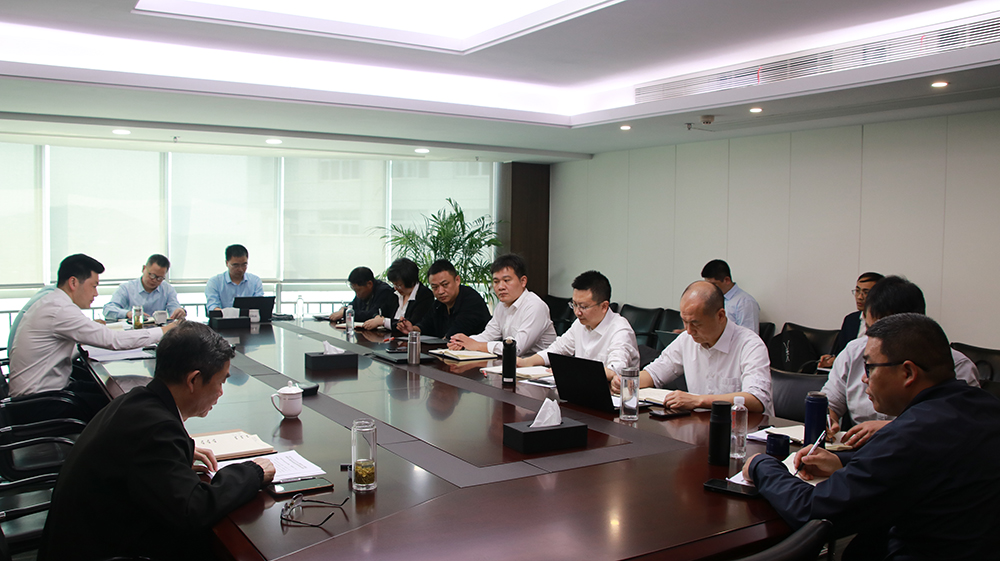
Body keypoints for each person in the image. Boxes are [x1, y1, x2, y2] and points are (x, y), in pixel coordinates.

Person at [743, 313, 1000, 561]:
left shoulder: (912, 434)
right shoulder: (984, 407)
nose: (864, 379)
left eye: (869, 367)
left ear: (908, 373)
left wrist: (761, 465)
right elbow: (923, 465)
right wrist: (842, 462)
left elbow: (811, 511)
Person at [39, 321, 276, 561]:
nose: (221, 392)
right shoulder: (157, 430)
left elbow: (142, 462)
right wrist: (252, 472)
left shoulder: (136, 402)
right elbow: (193, 509)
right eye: (221, 381)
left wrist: (177, 453)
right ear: (193, 380)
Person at [823, 275, 979, 447]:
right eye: (869, 328)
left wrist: (892, 428)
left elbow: (962, 428)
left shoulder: (955, 365)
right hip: (858, 451)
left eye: (882, 333)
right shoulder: (854, 351)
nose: (872, 341)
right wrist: (827, 419)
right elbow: (829, 403)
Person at [9, 254, 174, 401]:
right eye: (94, 286)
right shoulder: (60, 309)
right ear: (73, 282)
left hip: (44, 391)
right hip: (38, 401)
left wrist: (90, 330)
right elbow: (114, 340)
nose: (96, 294)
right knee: (121, 402)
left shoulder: (53, 302)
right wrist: (163, 331)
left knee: (112, 392)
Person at [617, 281, 772, 415]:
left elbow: (756, 399)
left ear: (720, 316)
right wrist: (627, 383)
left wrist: (698, 400)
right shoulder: (687, 339)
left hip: (745, 430)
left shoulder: (750, 345)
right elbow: (655, 373)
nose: (689, 331)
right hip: (701, 425)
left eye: (696, 323)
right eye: (684, 322)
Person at [519, 270, 639, 380]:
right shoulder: (580, 323)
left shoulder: (620, 330)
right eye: (574, 305)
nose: (577, 312)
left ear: (604, 306)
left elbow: (615, 370)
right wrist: (526, 362)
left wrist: (571, 371)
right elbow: (557, 349)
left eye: (584, 307)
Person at [448, 253, 557, 356]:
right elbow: (489, 335)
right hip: (514, 364)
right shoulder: (502, 305)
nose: (500, 287)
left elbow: (516, 348)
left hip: (540, 366)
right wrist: (463, 342)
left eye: (506, 280)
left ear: (523, 281)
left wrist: (477, 345)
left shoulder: (535, 306)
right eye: (496, 282)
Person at [397, 259, 490, 339]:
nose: (440, 291)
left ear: (457, 280)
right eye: (435, 287)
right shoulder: (439, 304)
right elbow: (426, 325)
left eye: (445, 285)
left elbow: (454, 335)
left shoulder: (472, 300)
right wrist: (412, 329)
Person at [817, 272, 883, 368]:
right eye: (857, 291)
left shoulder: (888, 322)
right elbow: (841, 353)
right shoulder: (851, 320)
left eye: (866, 292)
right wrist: (833, 360)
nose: (859, 297)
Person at [103, 253, 186, 322]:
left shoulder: (168, 289)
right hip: (133, 331)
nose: (155, 280)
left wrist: (179, 312)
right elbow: (108, 310)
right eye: (152, 275)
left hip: (158, 331)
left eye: (160, 278)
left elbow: (174, 308)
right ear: (144, 269)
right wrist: (129, 313)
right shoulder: (126, 288)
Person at [362, 257, 434, 332]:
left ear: (410, 282)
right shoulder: (394, 293)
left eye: (399, 285)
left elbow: (411, 324)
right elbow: (381, 310)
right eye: (394, 284)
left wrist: (383, 321)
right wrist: (377, 317)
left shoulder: (425, 295)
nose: (395, 288)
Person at [701, 259, 760, 333]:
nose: (710, 288)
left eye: (714, 284)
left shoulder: (745, 302)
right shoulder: (712, 299)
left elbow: (750, 335)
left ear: (727, 280)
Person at [328, 266, 398, 324]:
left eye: (358, 291)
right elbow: (352, 307)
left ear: (369, 284)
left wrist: (345, 313)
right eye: (355, 291)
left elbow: (373, 314)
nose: (357, 295)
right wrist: (344, 309)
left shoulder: (384, 291)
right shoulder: (362, 293)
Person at [205, 244, 263, 312]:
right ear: (227, 263)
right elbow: (213, 306)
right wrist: (227, 314)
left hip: (250, 318)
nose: (240, 269)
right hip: (223, 318)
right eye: (235, 265)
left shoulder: (255, 281)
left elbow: (259, 305)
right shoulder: (214, 282)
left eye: (244, 264)